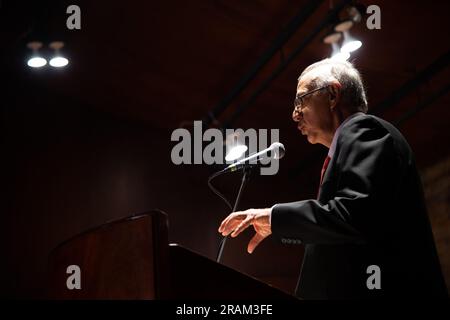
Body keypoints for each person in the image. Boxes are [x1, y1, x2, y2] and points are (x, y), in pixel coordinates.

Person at [218, 58, 448, 299]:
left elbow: (353, 215)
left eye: (300, 100)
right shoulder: (349, 143)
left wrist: (275, 217)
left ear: (332, 94)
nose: (294, 114)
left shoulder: (364, 130)